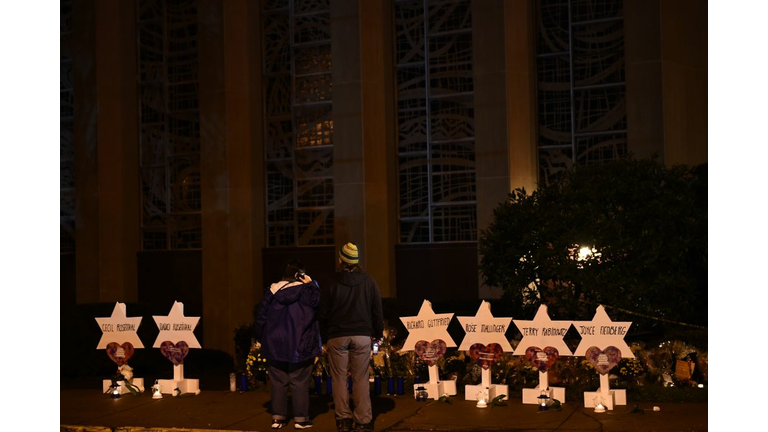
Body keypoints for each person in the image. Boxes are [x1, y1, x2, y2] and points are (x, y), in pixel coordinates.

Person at [320, 243, 384, 432]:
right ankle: (363, 420)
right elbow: (377, 311)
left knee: (338, 378)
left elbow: (322, 313)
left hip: (337, 336)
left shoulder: (331, 282)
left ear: (341, 260)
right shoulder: (369, 281)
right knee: (361, 378)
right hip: (362, 336)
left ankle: (343, 419)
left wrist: (323, 337)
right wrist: (378, 334)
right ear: (357, 261)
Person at [255, 259, 322, 430]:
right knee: (299, 381)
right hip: (300, 345)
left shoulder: (271, 292)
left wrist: (260, 338)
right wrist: (312, 284)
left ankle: (278, 418)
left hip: (274, 344)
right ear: (299, 274)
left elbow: (261, 317)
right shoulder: (306, 292)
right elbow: (317, 304)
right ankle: (301, 419)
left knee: (278, 382)